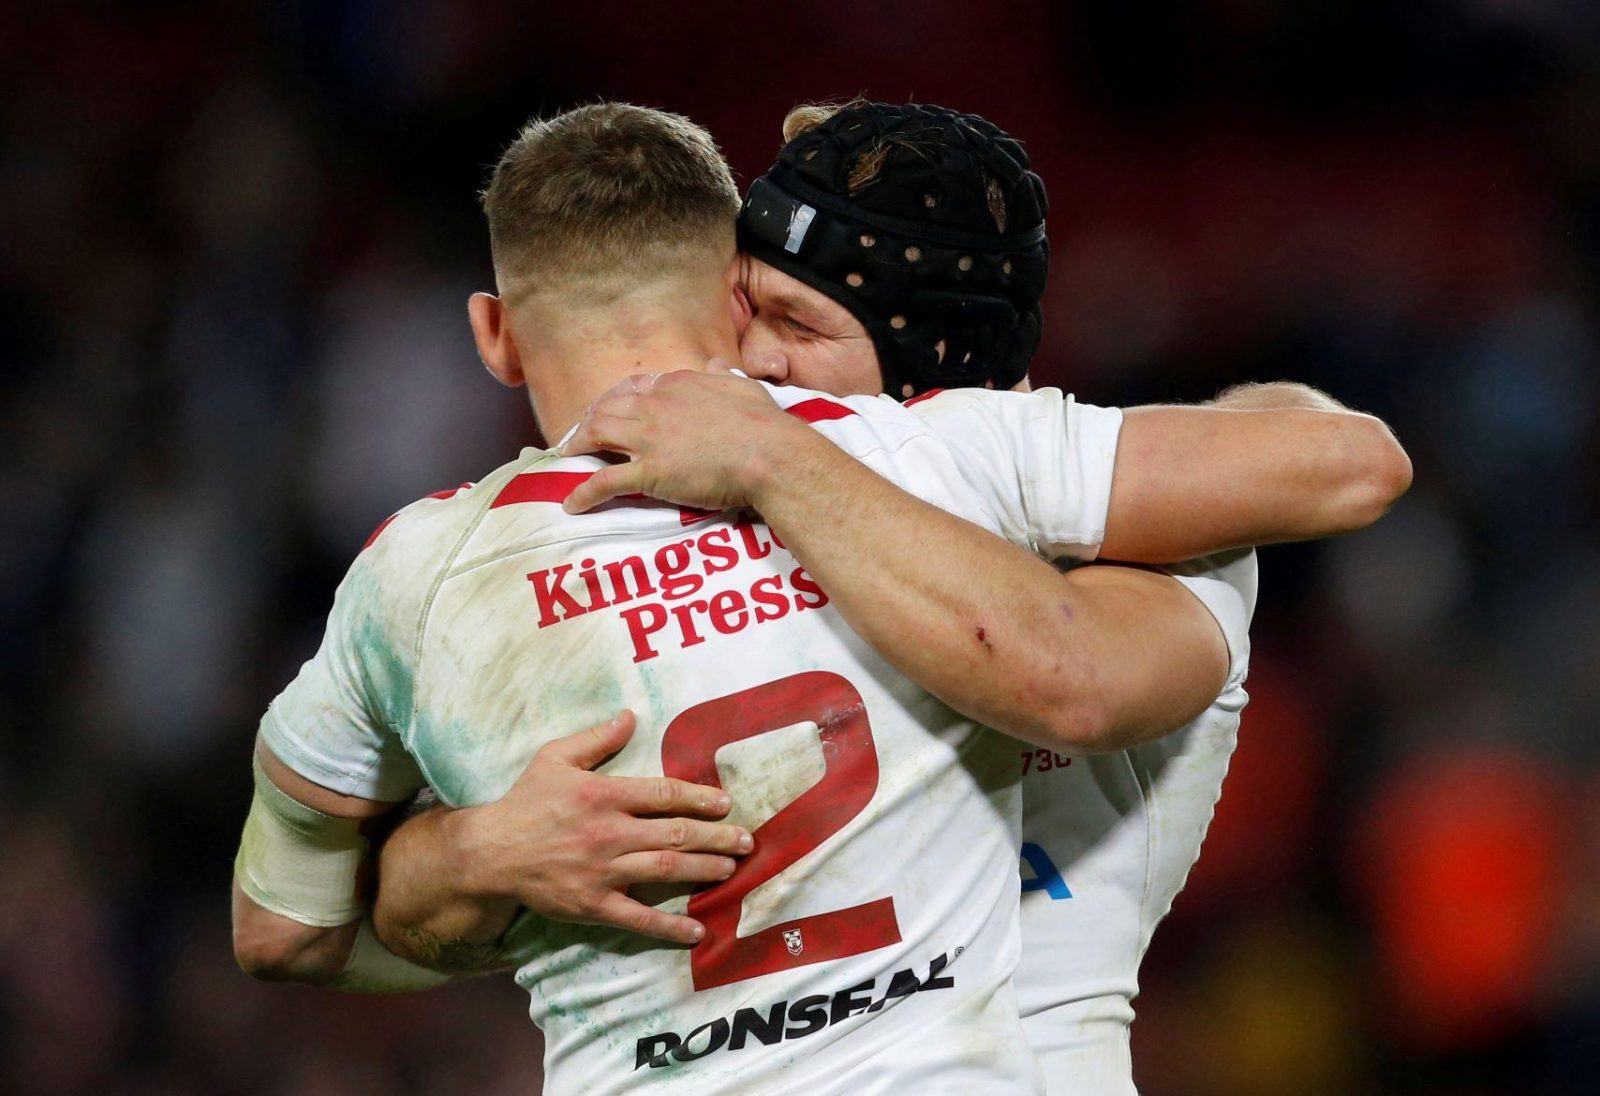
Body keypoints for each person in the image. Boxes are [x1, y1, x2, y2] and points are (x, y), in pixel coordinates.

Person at [231, 102, 1408, 1092]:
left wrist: (781, 457)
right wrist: (474, 850)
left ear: (942, 368)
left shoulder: (1084, 527)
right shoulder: (893, 463)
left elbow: (1078, 673)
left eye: (796, 325)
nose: (753, 365)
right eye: (750, 311)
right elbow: (327, 927)